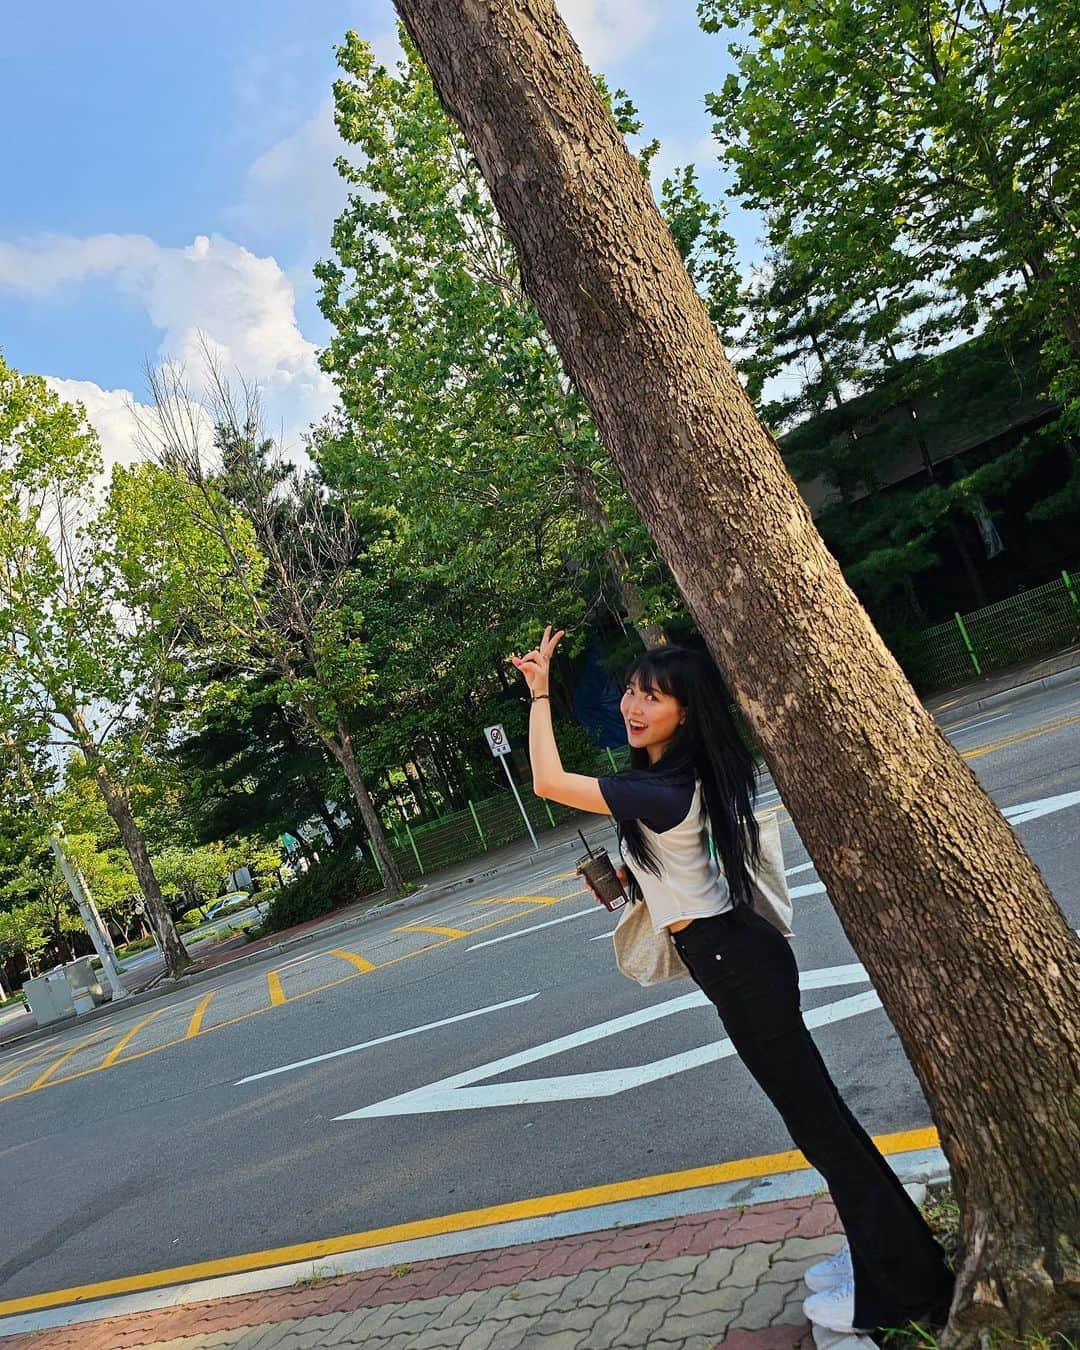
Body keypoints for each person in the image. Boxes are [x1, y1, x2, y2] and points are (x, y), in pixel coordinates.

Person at [510, 627, 954, 1338]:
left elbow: (546, 782)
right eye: (630, 690)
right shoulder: (673, 781)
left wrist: (538, 690)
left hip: (737, 966)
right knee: (824, 1125)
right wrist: (632, 875)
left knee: (824, 1132)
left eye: (652, 698)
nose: (633, 705)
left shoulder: (660, 787)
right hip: (739, 957)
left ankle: (906, 1290)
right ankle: (887, 1258)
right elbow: (683, 856)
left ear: (685, 712)